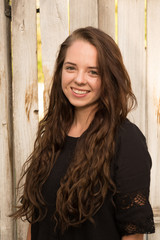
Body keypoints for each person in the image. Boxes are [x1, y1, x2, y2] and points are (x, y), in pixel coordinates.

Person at [12, 27, 155, 240]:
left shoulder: (126, 140)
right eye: (71, 68)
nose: (79, 79)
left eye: (93, 72)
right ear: (61, 70)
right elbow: (37, 219)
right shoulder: (53, 133)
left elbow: (133, 234)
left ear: (109, 77)